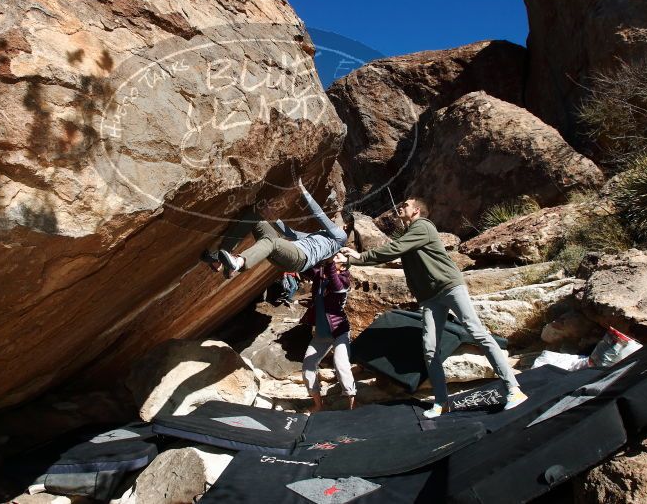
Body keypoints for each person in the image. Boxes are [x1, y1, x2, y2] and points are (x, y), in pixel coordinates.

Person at [340, 198, 528, 418]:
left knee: (477, 332)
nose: (401, 207)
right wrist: (353, 260)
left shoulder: (423, 226)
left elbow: (395, 249)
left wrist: (359, 257)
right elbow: (397, 251)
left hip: (449, 286)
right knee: (429, 347)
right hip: (430, 298)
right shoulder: (410, 233)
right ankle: (442, 401)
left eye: (406, 205)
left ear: (417, 210)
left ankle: (513, 389)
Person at [201, 178, 348, 278]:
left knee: (273, 242)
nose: (335, 220)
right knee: (255, 217)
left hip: (300, 258)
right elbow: (291, 233)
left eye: (340, 220)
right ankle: (220, 257)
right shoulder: (324, 239)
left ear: (346, 226)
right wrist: (272, 217)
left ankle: (238, 263)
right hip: (293, 257)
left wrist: (302, 189)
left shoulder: (341, 236)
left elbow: (319, 214)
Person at [300, 252, 356, 412]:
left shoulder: (344, 281)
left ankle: (353, 404)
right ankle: (318, 405)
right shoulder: (320, 275)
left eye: (339, 258)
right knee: (308, 366)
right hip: (320, 335)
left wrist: (330, 262)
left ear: (343, 266)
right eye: (335, 256)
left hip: (339, 332)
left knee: (341, 364)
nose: (335, 257)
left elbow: (335, 284)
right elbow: (305, 267)